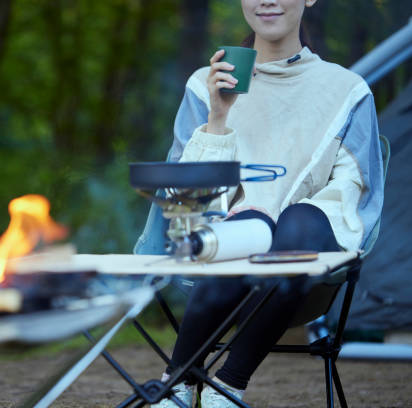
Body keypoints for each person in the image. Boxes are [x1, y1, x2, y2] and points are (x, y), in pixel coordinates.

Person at [133, 0, 385, 407]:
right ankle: (178, 381)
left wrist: (277, 217)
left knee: (297, 224)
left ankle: (227, 386)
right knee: (243, 229)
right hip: (218, 253)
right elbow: (182, 202)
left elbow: (355, 193)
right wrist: (218, 117)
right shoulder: (206, 84)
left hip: (306, 259)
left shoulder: (346, 91)